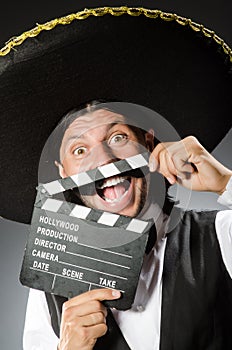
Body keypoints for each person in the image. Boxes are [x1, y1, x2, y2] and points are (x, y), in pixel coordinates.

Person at [23, 101, 232, 350]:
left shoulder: (220, 233)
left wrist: (225, 181)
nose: (104, 160)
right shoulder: (48, 287)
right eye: (79, 150)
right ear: (64, 175)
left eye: (117, 137)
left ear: (148, 144)